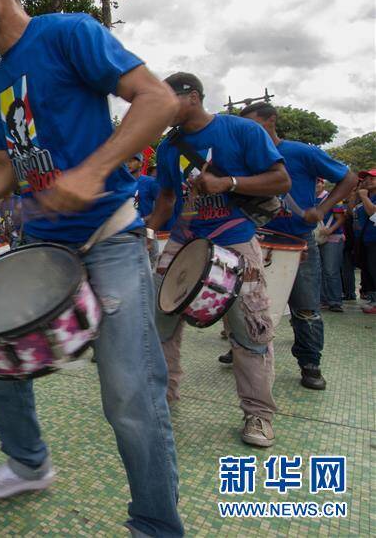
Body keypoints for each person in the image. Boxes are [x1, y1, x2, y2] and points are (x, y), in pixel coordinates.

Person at [0, 0, 182, 535]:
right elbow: (6, 166)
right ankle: (29, 463)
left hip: (109, 239)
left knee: (130, 398)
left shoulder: (68, 34)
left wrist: (91, 172)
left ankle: (156, 526)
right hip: (44, 248)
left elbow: (158, 99)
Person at [146, 74, 290, 448]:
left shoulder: (241, 131)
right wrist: (142, 230)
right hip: (184, 240)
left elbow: (281, 180)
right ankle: (162, 396)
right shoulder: (168, 147)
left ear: (192, 97)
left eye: (168, 99)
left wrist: (229, 184)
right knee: (160, 320)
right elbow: (165, 200)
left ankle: (258, 414)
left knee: (249, 328)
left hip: (235, 239)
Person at [240, 102, 355, 389]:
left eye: (255, 126)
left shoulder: (302, 152)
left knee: (305, 307)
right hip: (258, 240)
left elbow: (348, 177)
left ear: (272, 121)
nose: (251, 134)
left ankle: (310, 364)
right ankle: (243, 349)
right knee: (247, 302)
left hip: (297, 242)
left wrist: (322, 207)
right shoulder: (246, 158)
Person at [319, 201, 348, 312]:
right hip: (317, 238)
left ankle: (335, 301)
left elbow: (341, 218)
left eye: (320, 182)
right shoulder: (310, 197)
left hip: (333, 238)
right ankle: (323, 300)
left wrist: (330, 230)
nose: (317, 184)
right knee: (318, 271)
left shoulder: (330, 197)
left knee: (331, 270)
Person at [356, 170, 376, 314]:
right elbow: (351, 212)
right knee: (369, 269)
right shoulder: (368, 196)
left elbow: (372, 213)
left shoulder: (368, 198)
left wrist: (363, 197)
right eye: (366, 179)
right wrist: (356, 194)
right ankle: (373, 299)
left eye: (372, 178)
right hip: (366, 238)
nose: (368, 181)